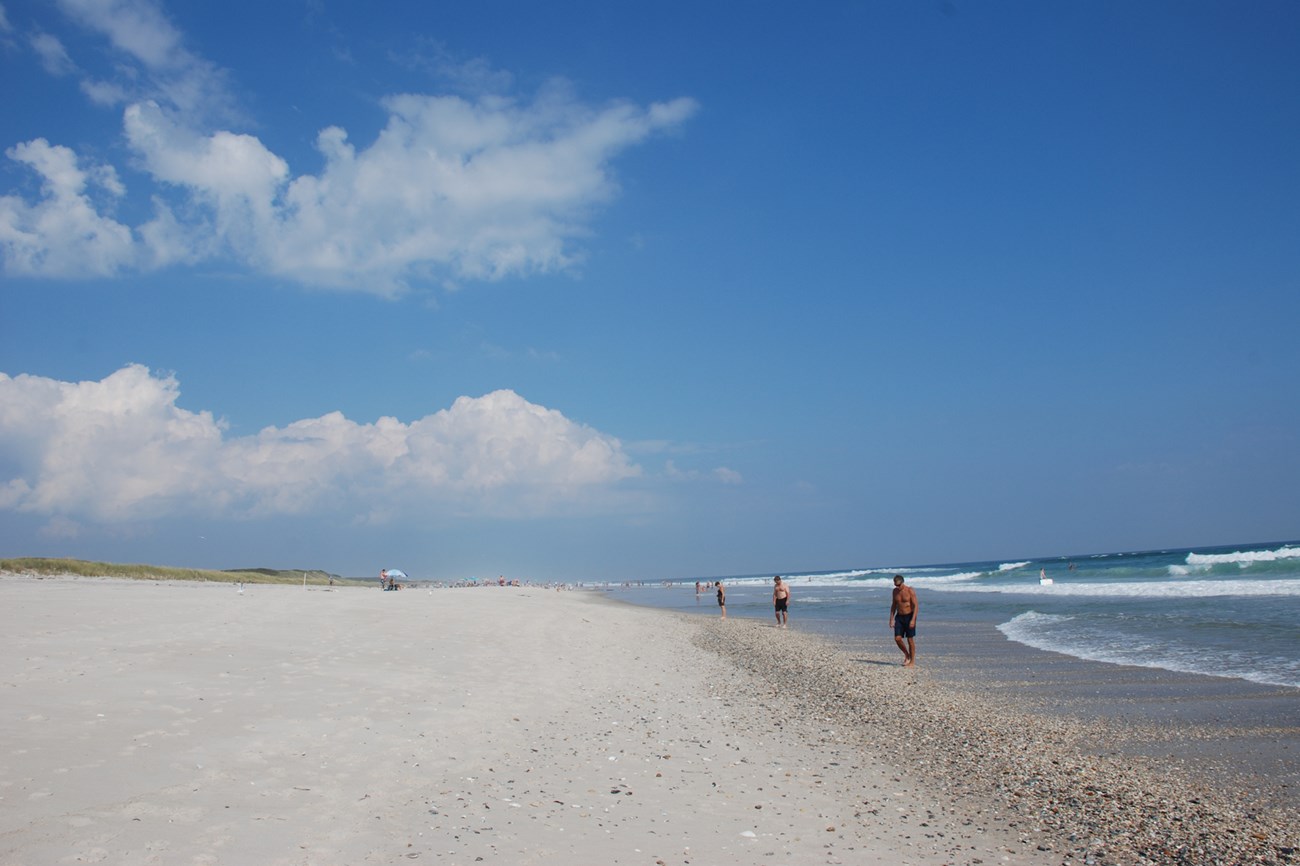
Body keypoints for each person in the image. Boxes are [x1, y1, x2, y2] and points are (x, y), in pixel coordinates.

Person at [889, 574, 918, 666]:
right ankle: (906, 654)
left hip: (909, 616)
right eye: (895, 585)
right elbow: (893, 605)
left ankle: (912, 662)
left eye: (898, 585)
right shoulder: (895, 592)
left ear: (902, 582)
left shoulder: (910, 591)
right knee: (897, 638)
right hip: (899, 617)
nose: (897, 587)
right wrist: (891, 619)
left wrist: (913, 619)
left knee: (910, 640)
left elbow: (916, 606)